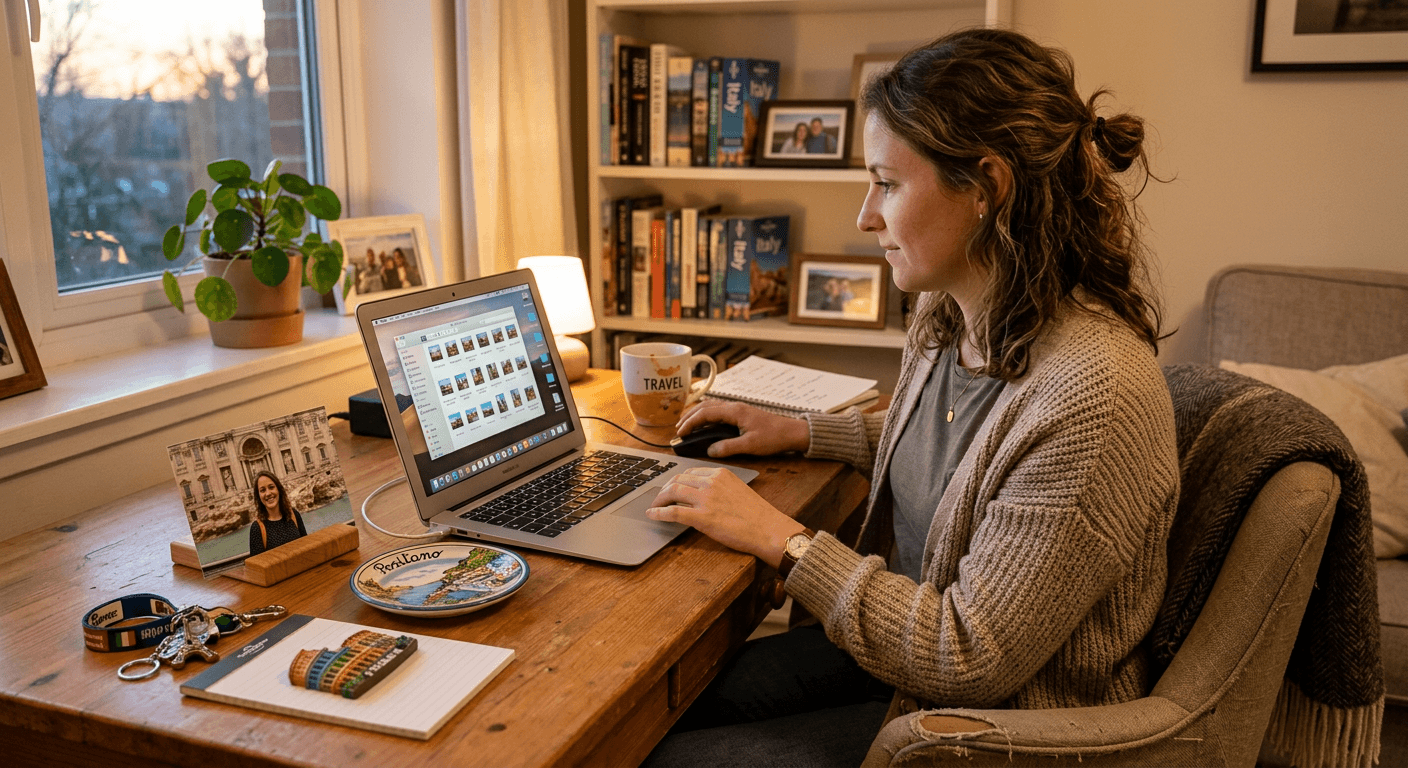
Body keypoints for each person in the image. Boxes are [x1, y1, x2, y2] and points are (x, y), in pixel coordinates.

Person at [643, 27, 1177, 767]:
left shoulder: (1095, 394)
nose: (866, 216)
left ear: (987, 187)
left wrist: (783, 539)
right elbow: (960, 460)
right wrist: (806, 433)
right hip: (909, 665)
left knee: (661, 756)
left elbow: (969, 654)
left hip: (999, 728)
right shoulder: (954, 306)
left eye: (888, 183)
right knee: (656, 709)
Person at [246, 470, 307, 557]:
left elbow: (307, 546)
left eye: (271, 487)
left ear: (278, 489)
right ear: (258, 496)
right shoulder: (257, 529)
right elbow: (257, 566)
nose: (268, 493)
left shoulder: (294, 515)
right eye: (263, 490)